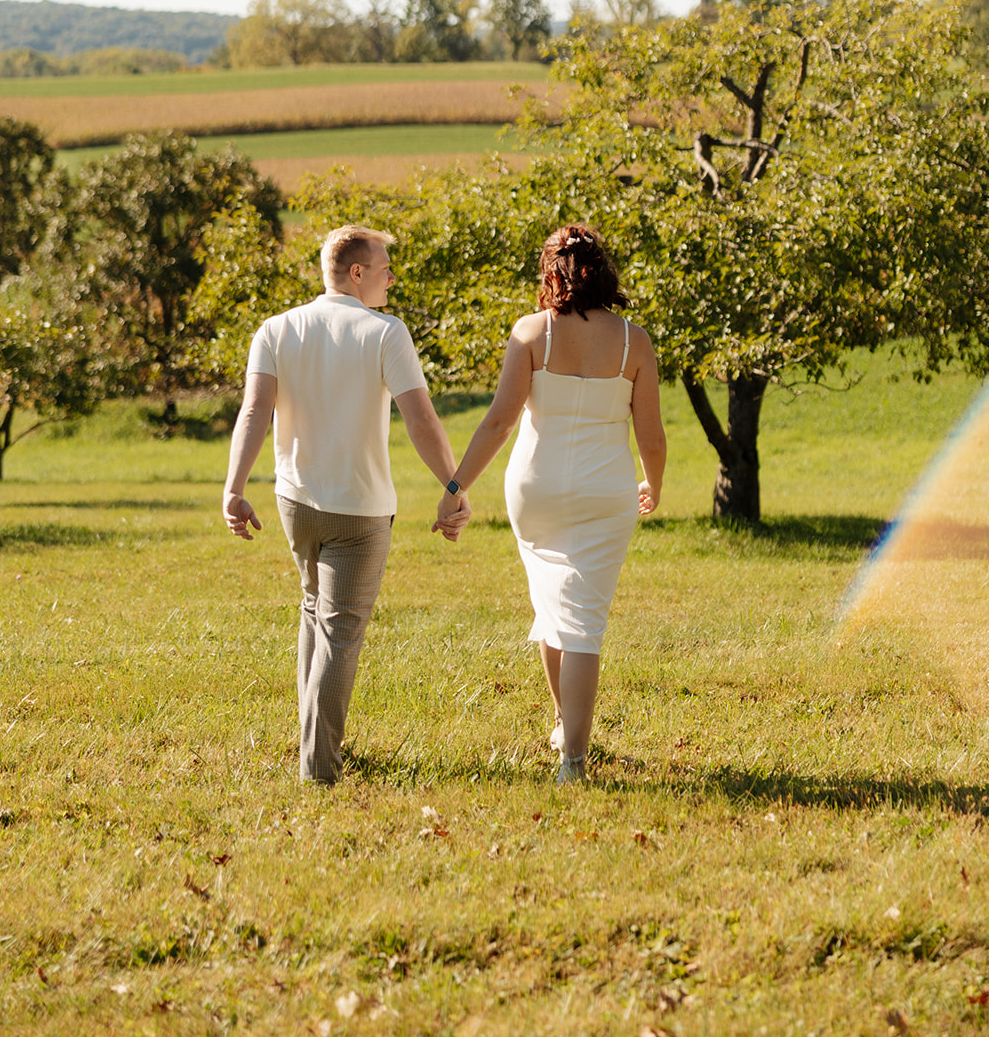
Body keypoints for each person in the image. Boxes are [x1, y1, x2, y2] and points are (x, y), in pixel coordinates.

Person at [222, 224, 470, 785]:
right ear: (356, 273)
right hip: (358, 510)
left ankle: (313, 741)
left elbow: (254, 413)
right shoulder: (386, 332)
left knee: (316, 611)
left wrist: (234, 488)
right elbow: (421, 419)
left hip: (296, 503)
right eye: (384, 267)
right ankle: (319, 770)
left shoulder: (276, 328)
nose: (390, 278)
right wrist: (454, 488)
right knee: (340, 631)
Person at [435, 224, 666, 784]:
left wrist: (454, 486)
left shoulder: (531, 332)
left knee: (551, 608)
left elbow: (498, 421)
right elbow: (652, 433)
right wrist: (653, 484)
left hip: (534, 490)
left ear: (549, 272)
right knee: (581, 620)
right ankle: (574, 760)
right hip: (605, 492)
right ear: (602, 271)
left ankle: (565, 723)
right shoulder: (636, 341)